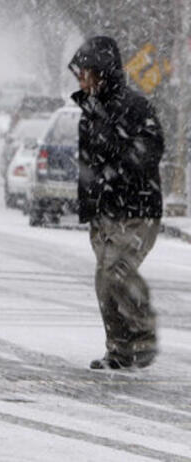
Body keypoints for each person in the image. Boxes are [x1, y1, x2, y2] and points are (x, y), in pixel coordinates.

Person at [69, 35, 164, 370]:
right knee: (105, 282)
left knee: (117, 271)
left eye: (85, 73)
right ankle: (120, 349)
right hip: (104, 212)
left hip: (137, 208)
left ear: (102, 72)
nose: (81, 80)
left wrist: (118, 171)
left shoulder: (135, 107)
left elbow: (152, 148)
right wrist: (89, 205)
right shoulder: (89, 113)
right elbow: (87, 164)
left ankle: (143, 335)